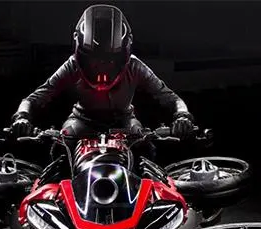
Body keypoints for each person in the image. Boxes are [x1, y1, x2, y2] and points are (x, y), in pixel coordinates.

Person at [10, 4, 194, 144]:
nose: (102, 69)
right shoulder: (73, 65)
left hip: (125, 123)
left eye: (109, 60)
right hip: (81, 122)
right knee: (61, 148)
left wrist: (182, 116)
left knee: (143, 148)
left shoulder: (134, 66)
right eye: (94, 60)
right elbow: (34, 98)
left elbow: (171, 98)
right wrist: (22, 117)